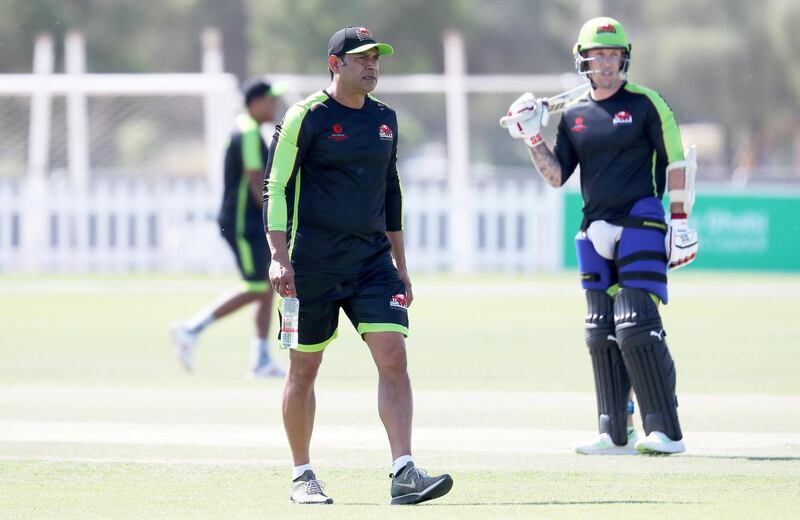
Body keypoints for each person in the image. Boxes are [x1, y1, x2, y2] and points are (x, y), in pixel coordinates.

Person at [263, 26, 453, 505]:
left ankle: (404, 471)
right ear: (335, 64)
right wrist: (278, 256)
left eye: (376, 58)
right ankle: (302, 475)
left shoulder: (385, 119)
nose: (372, 65)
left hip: (371, 262)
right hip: (311, 265)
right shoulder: (305, 117)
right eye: (362, 58)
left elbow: (392, 192)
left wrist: (401, 264)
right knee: (304, 369)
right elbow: (275, 187)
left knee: (394, 357)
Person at [502, 17, 698, 455]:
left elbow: (677, 163)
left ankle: (665, 430)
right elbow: (556, 176)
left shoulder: (648, 104)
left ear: (624, 58)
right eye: (597, 55)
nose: (606, 63)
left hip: (641, 219)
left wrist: (681, 220)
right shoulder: (572, 116)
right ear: (583, 61)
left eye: (612, 54)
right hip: (594, 227)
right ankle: (614, 432)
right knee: (600, 331)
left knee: (635, 325)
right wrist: (532, 136)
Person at [170, 78, 287, 378]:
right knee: (257, 286)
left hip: (246, 222)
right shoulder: (248, 132)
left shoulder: (248, 131)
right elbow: (255, 182)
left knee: (266, 285)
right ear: (255, 102)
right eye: (270, 99)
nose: (275, 105)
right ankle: (191, 329)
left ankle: (260, 359)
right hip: (242, 223)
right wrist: (274, 219)